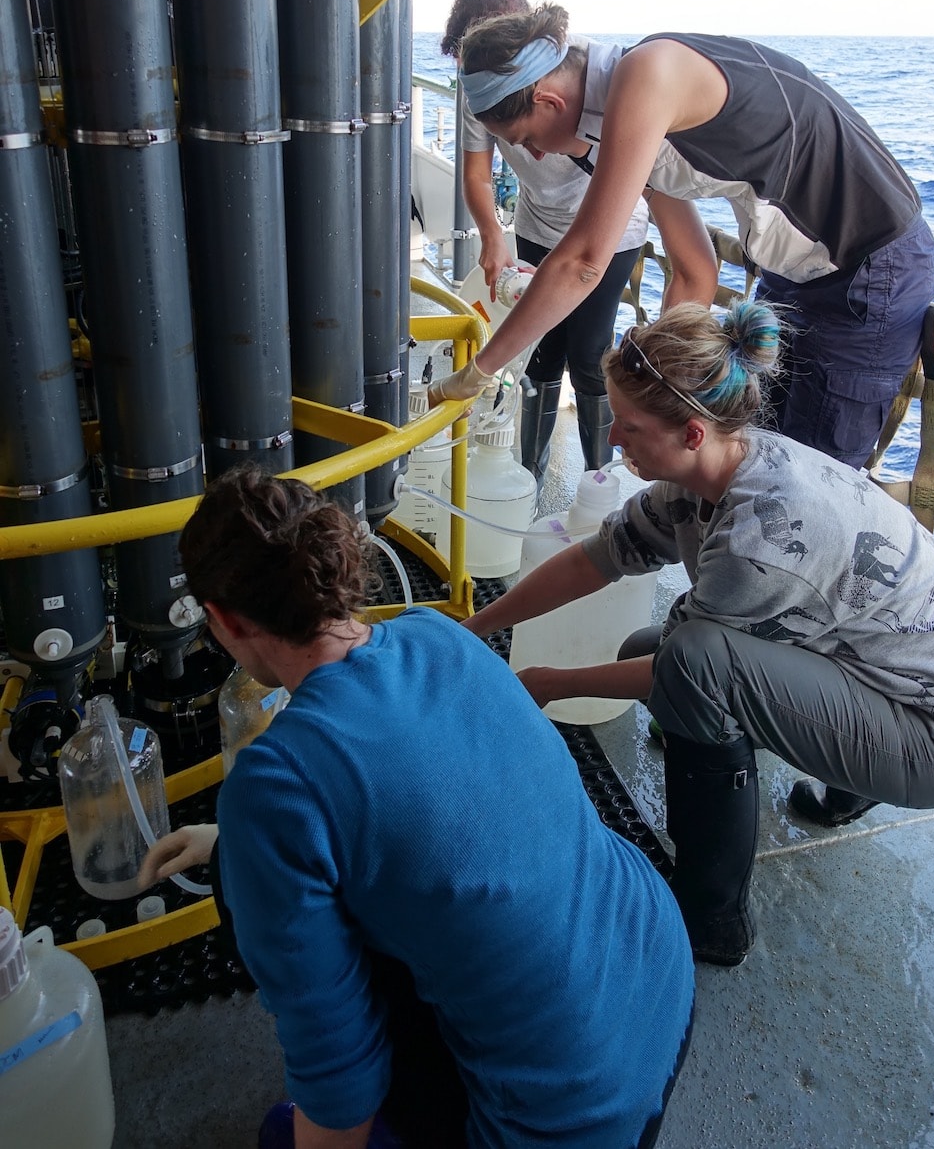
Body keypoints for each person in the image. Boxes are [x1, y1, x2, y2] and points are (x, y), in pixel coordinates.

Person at [139, 464, 694, 1149]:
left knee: (284, 1133)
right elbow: (419, 802)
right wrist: (235, 842)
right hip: (657, 978)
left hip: (566, 1117)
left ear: (222, 620)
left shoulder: (275, 780)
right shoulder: (441, 637)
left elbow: (337, 1087)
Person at [465, 303, 934, 968]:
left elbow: (682, 666)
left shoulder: (762, 539)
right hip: (885, 667)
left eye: (629, 427)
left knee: (689, 666)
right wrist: (479, 625)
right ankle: (843, 772)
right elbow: (597, 557)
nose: (613, 435)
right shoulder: (720, 464)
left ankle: (713, 919)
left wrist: (547, 686)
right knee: (646, 651)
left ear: (691, 432)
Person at [428, 8, 934, 470]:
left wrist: (478, 372)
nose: (536, 157)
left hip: (872, 267)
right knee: (752, 456)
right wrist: (656, 377)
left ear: (548, 99)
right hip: (795, 274)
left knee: (814, 479)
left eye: (526, 141)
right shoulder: (608, 127)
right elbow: (696, 267)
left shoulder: (649, 74)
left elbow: (584, 262)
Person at [442, 0, 650, 480]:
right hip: (536, 223)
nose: (532, 151)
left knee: (589, 354)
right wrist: (493, 233)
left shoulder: (594, 76)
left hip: (608, 231)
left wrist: (473, 375)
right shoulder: (481, 91)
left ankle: (599, 480)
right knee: (539, 353)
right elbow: (475, 173)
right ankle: (529, 472)